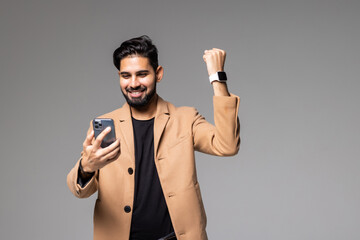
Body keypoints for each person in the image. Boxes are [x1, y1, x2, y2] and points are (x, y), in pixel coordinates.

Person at [67, 35, 240, 240]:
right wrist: (87, 166)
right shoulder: (106, 124)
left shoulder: (185, 118)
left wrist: (217, 77)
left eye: (141, 74)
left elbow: (227, 145)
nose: (133, 84)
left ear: (158, 74)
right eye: (125, 75)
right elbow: (78, 190)